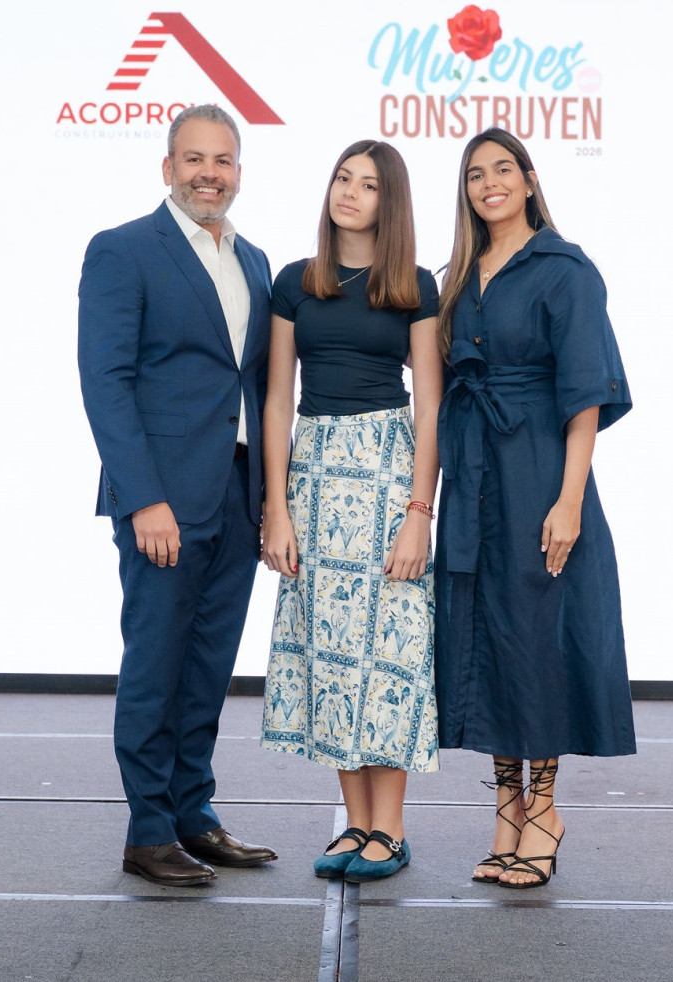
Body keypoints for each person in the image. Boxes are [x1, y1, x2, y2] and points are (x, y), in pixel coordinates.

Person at [78, 105, 277, 887]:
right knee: (156, 660)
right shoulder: (124, 250)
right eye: (193, 158)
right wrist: (142, 499)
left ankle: (194, 812)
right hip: (162, 497)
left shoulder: (254, 259)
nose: (208, 173)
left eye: (222, 161)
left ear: (237, 172)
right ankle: (148, 827)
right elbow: (106, 382)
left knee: (208, 665)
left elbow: (256, 383)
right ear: (167, 167)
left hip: (235, 493)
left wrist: (268, 499)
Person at [434, 127, 635, 889]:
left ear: (529, 178)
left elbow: (584, 394)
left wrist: (570, 500)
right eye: (476, 173)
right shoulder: (457, 275)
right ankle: (506, 809)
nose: (489, 183)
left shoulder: (565, 269)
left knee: (538, 642)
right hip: (476, 478)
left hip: (542, 470)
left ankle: (544, 809)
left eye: (503, 170)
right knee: (489, 637)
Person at [260, 140, 442, 882]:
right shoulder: (294, 283)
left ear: (387, 202)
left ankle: (390, 831)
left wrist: (419, 511)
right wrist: (277, 506)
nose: (350, 192)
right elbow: (277, 399)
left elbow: (430, 405)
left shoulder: (416, 285)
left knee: (390, 652)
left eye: (368, 184)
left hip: (389, 472)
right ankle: (354, 824)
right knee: (330, 652)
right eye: (342, 177)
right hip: (315, 473)